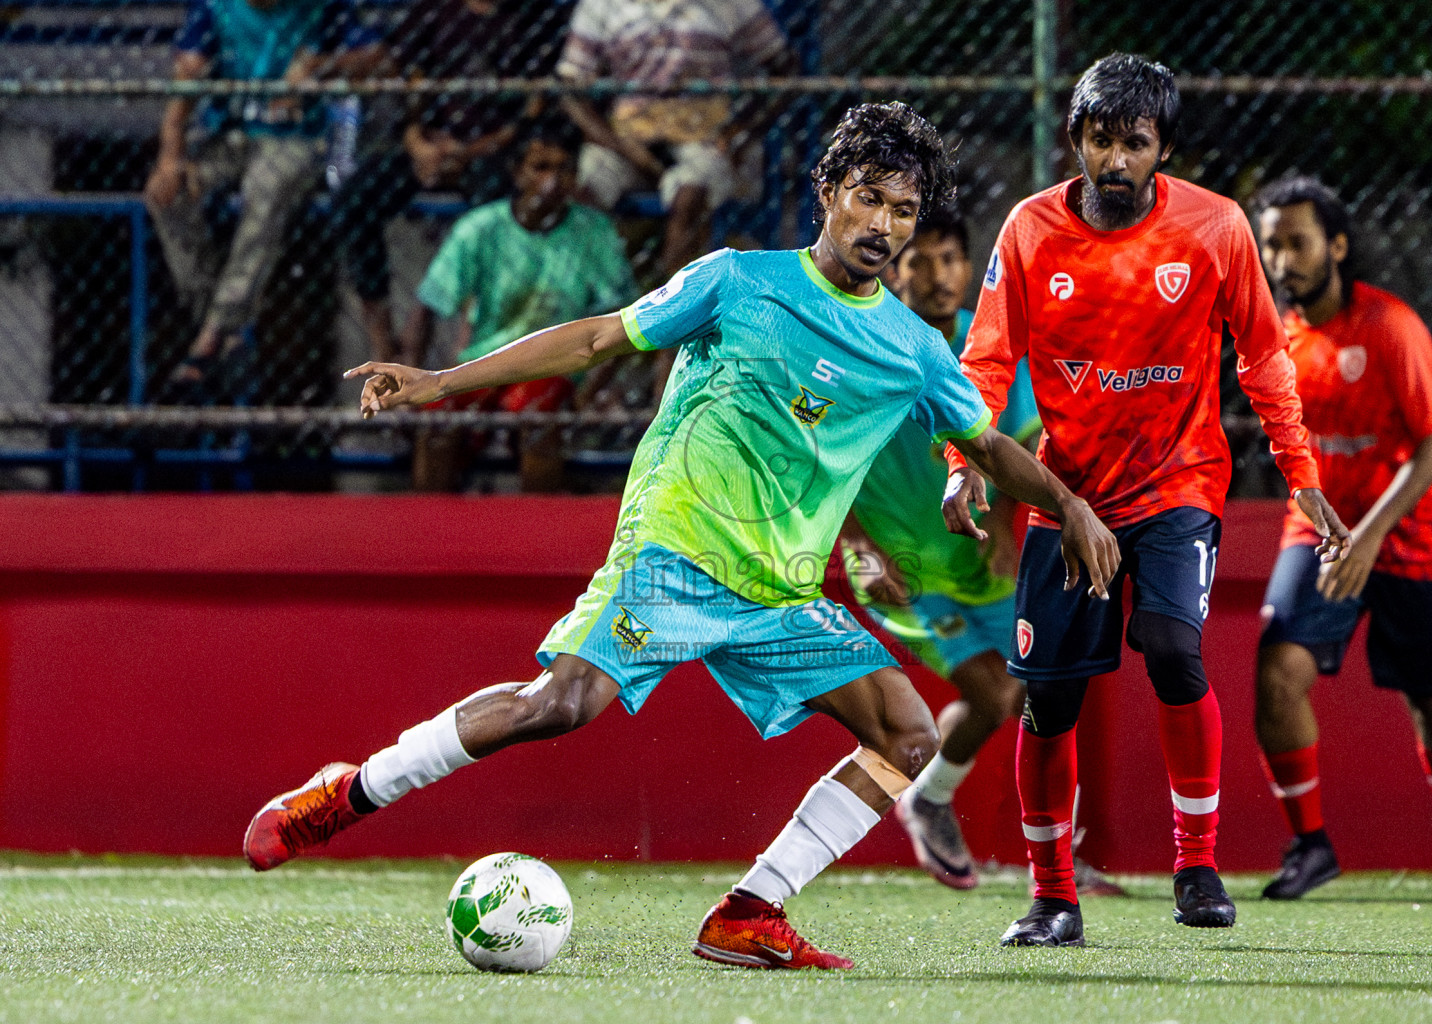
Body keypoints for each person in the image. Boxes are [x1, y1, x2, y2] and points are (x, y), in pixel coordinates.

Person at [241, 102, 1121, 971]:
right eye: (868, 198)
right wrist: (442, 381)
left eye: (902, 210)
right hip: (676, 552)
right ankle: (344, 794)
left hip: (781, 590)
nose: (883, 225)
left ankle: (750, 911)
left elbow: (989, 444)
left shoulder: (913, 349)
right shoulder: (736, 280)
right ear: (827, 192)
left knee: (907, 733)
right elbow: (594, 339)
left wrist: (1070, 506)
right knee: (558, 706)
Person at [942, 53, 1352, 947]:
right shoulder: (1029, 229)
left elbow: (1264, 357)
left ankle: (1196, 866)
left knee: (1171, 645)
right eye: (1101, 140)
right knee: (1048, 701)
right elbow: (984, 359)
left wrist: (1301, 472)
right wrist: (961, 462)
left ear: (1162, 147)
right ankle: (1053, 898)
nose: (1116, 160)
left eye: (1135, 143)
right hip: (1067, 495)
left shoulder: (1216, 227)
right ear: (1076, 141)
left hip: (1178, 483)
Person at [839, 206, 1121, 895]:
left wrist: (1005, 526)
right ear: (894, 267)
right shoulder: (863, 349)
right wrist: (859, 546)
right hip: (904, 565)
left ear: (969, 269)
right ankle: (929, 801)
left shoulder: (987, 345)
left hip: (980, 559)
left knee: (1042, 690)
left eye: (949, 260)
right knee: (994, 694)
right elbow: (822, 459)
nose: (937, 275)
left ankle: (1050, 857)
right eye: (920, 260)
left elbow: (1017, 445)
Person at [1250, 176, 1432, 900]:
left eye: (1298, 243)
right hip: (1320, 533)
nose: (1284, 260)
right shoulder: (1272, 336)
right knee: (1276, 672)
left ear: (1338, 247)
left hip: (1413, 538)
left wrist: (1373, 536)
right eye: (1272, 245)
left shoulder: (1390, 326)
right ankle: (1311, 847)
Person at [146, 0, 377, 401]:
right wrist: (171, 156)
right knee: (169, 194)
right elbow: (185, 77)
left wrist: (320, 66)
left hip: (296, 137)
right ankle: (223, 328)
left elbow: (376, 58)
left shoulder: (319, 8)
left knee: (264, 189)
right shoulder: (217, 7)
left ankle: (208, 341)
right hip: (230, 134)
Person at [332, 0, 569, 365]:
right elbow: (408, 83)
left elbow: (532, 111)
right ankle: (382, 340)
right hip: (431, 147)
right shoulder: (435, 12)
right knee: (355, 199)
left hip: (498, 152)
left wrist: (470, 152)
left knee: (493, 212)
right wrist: (417, 142)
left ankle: (472, 340)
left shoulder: (533, 18)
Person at [406, 117, 635, 492]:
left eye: (563, 169)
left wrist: (587, 393)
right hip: (483, 363)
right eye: (541, 167)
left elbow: (625, 323)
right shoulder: (480, 228)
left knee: (538, 417)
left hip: (554, 366)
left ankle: (536, 535)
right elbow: (427, 308)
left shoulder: (594, 233)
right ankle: (429, 534)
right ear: (518, 173)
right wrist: (414, 381)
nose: (552, 180)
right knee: (437, 421)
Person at [555, 0, 798, 284]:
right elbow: (570, 86)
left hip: (704, 134)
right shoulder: (602, 5)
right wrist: (621, 147)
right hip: (628, 136)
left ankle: (673, 307)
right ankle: (585, 294)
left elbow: (786, 67)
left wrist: (740, 133)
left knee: (691, 194)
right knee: (586, 188)